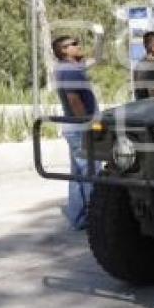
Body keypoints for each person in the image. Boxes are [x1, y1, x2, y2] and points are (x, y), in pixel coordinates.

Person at [52, 34, 100, 230]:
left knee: (78, 174)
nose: (78, 46)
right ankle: (96, 217)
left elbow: (96, 59)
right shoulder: (69, 71)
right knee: (92, 172)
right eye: (74, 44)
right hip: (81, 127)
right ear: (64, 51)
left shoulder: (71, 68)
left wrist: (101, 39)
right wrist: (88, 125)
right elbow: (74, 100)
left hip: (73, 128)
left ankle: (79, 217)